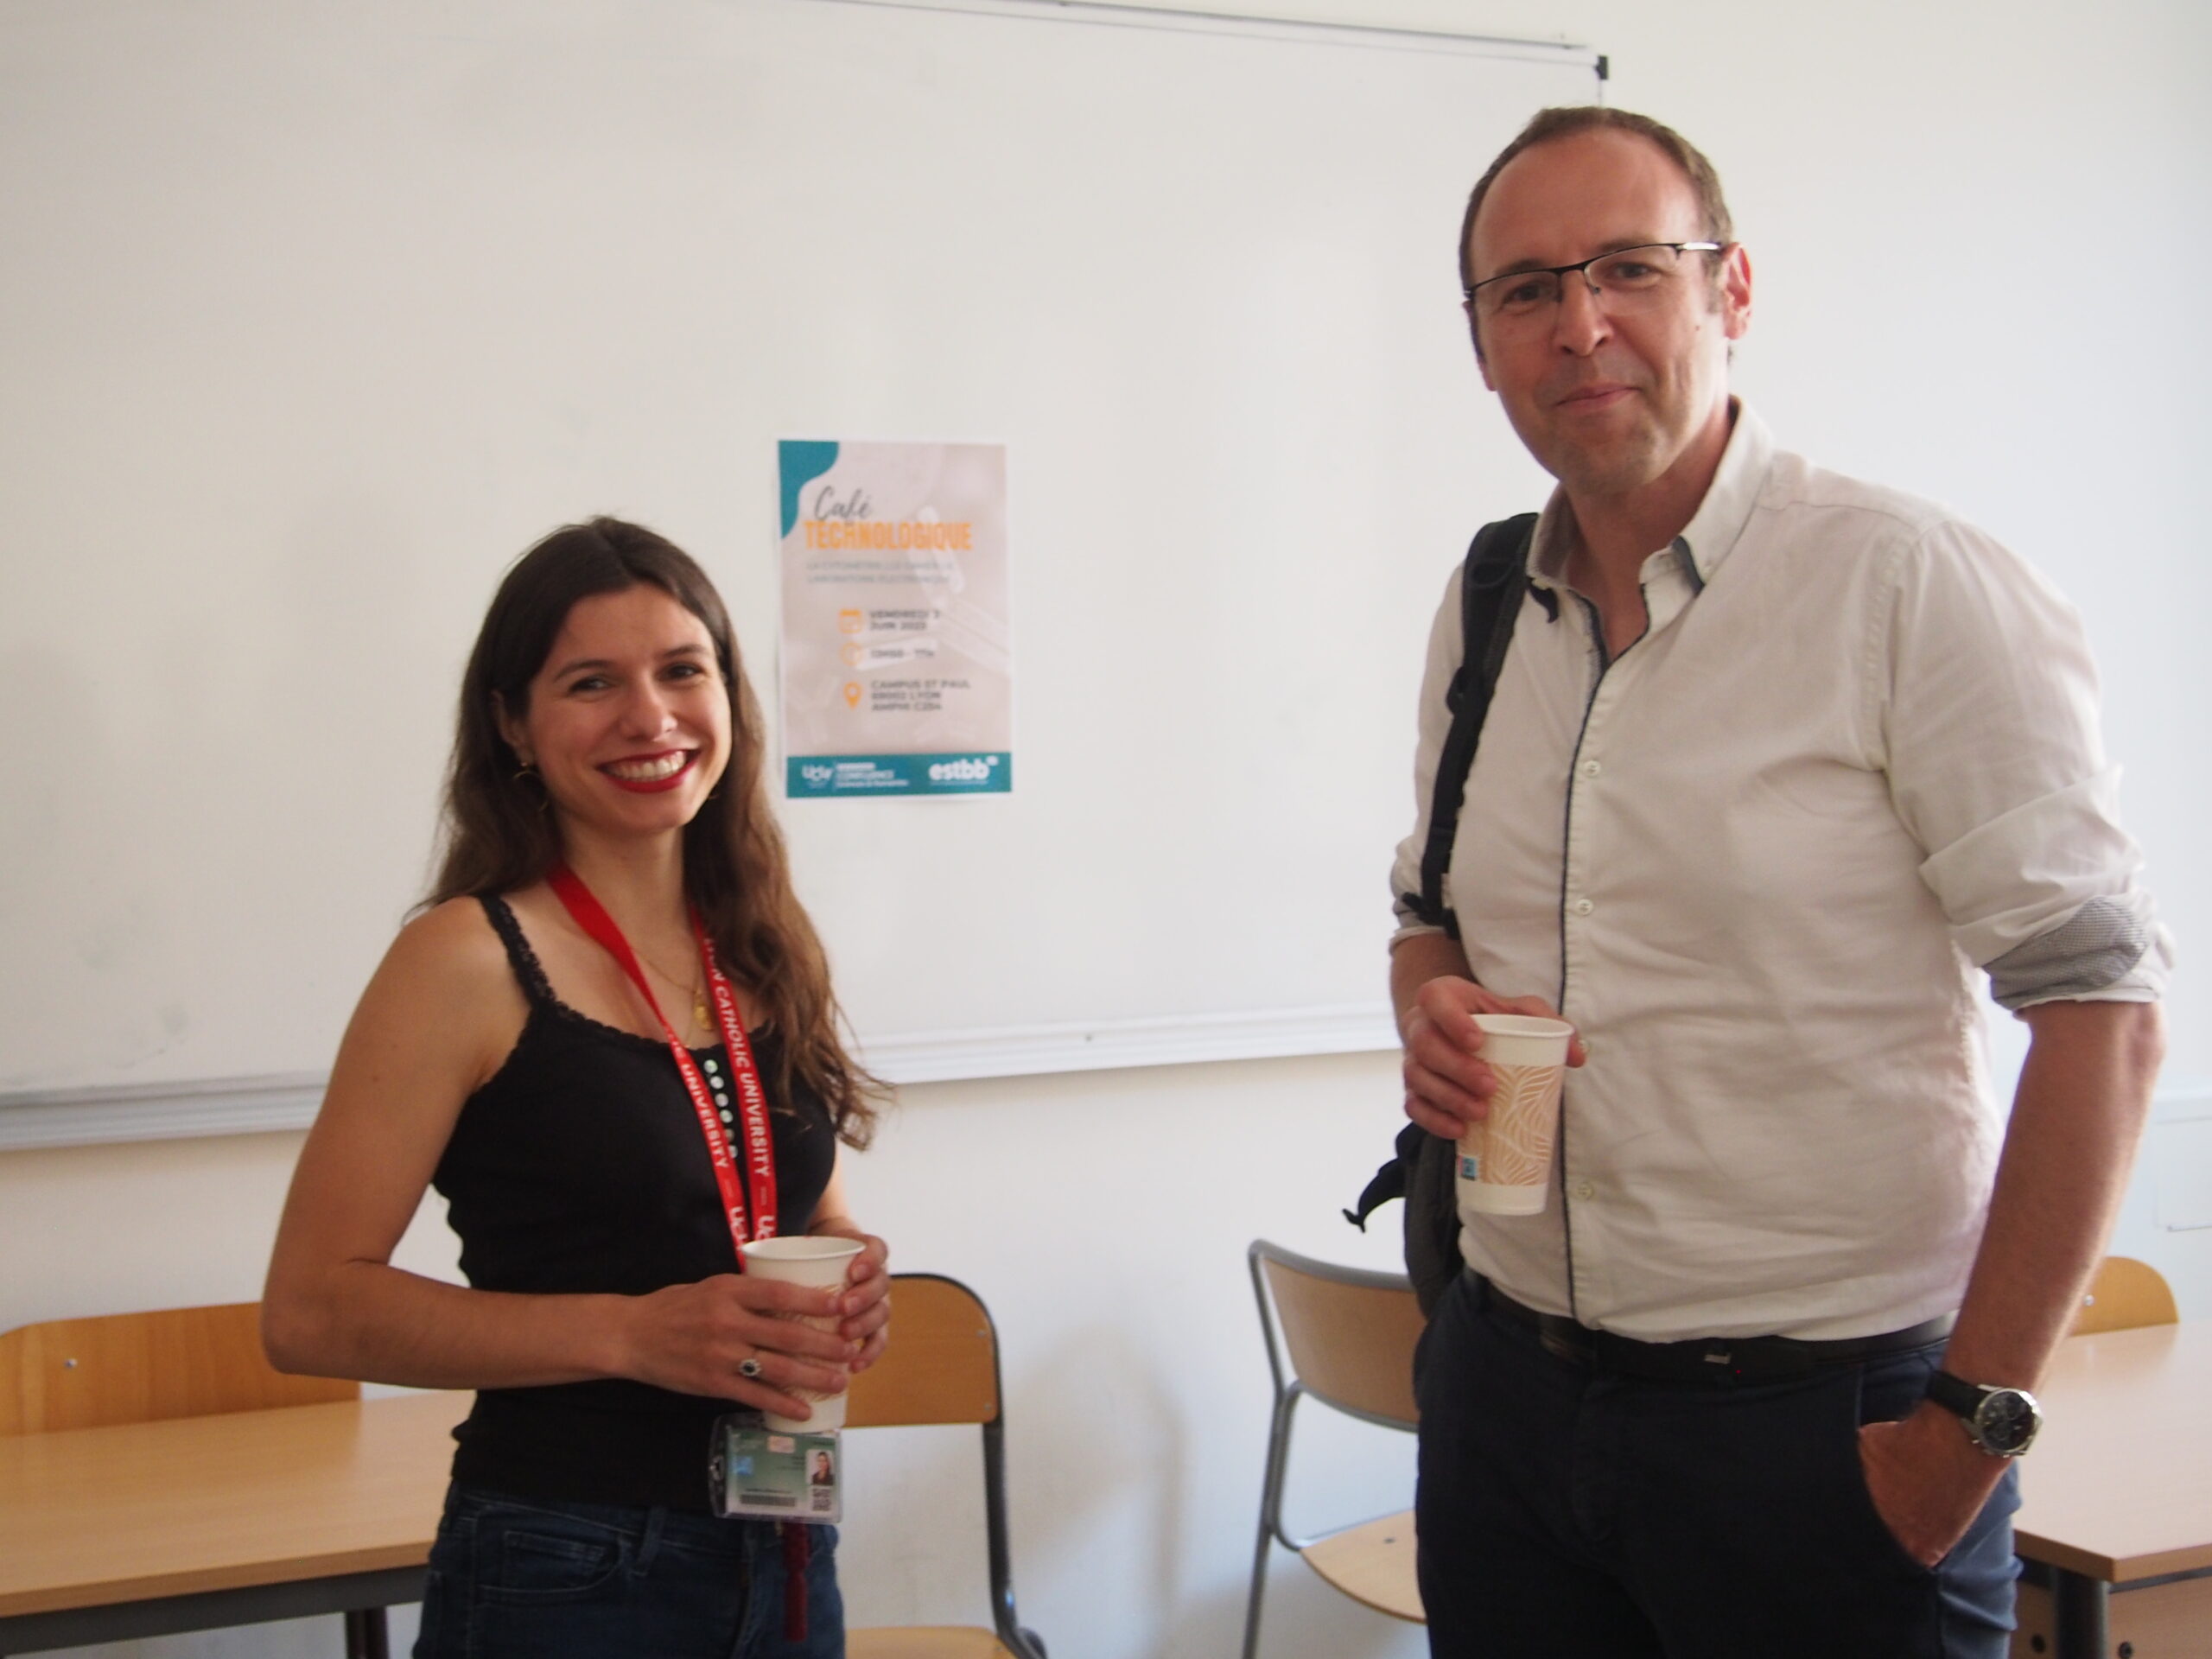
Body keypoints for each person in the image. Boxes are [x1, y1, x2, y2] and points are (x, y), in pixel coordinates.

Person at [1389, 107, 2169, 1658]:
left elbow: (2103, 1009)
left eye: (1630, 268)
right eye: (1526, 289)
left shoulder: (1907, 587)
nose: (1580, 323)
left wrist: (1969, 1434)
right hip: (1508, 1401)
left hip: (1824, 1431)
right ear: (1481, 344)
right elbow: (1430, 909)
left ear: (1731, 290)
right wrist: (1432, 1005)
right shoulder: (1488, 600)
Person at [264, 517, 889, 1659]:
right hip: (572, 1562)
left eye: (681, 671)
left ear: (730, 696)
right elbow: (309, 1311)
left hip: (787, 1532)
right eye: (591, 683)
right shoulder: (462, 961)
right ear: (512, 725)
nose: (649, 718)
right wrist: (631, 1336)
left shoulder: (756, 937)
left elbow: (801, 1202)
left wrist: (848, 1269)